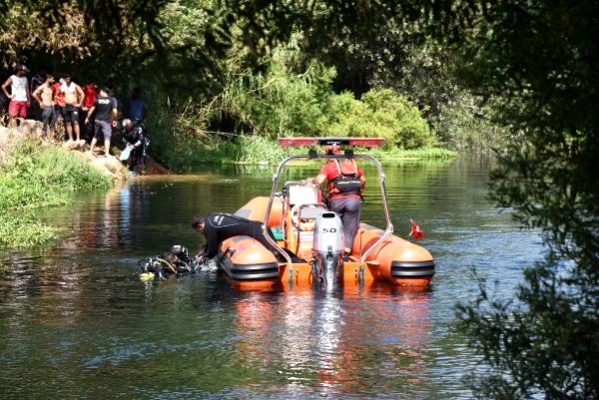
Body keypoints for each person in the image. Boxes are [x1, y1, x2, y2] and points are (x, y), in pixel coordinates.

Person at [314, 145, 366, 257]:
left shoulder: (329, 166)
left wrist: (313, 181)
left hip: (336, 201)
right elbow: (363, 180)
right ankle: (346, 253)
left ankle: (332, 250)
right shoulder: (353, 165)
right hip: (354, 200)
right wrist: (360, 191)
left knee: (333, 225)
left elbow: (320, 181)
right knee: (350, 228)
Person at [192, 213, 285, 262]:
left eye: (199, 232)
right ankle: (296, 260)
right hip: (258, 225)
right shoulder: (210, 217)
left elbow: (213, 250)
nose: (201, 233)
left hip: (256, 230)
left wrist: (203, 258)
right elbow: (213, 240)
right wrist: (204, 249)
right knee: (279, 251)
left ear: (199, 226)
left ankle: (297, 261)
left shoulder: (209, 227)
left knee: (276, 253)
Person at [85, 87, 118, 157]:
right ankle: (106, 153)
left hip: (97, 120)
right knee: (107, 137)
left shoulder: (98, 100)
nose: (99, 93)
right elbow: (115, 111)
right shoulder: (111, 100)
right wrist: (115, 120)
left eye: (100, 91)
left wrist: (87, 118)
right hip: (106, 121)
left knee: (95, 136)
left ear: (103, 92)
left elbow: (91, 110)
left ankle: (91, 151)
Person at [58, 74, 84, 142]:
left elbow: (82, 94)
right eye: (66, 79)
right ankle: (71, 138)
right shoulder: (62, 86)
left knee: (75, 122)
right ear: (64, 79)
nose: (68, 80)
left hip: (74, 106)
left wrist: (80, 104)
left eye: (69, 79)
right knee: (68, 123)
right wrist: (60, 103)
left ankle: (78, 139)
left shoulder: (74, 85)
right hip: (66, 106)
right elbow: (56, 95)